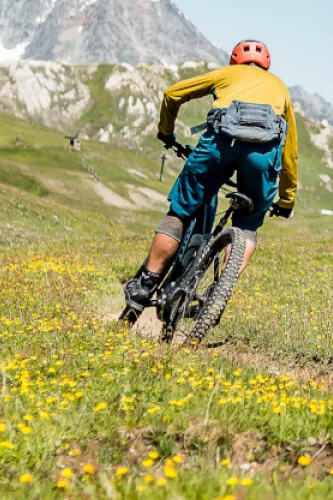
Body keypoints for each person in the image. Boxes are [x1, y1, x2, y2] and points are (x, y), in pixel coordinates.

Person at [121, 40, 300, 323]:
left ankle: (145, 285)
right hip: (262, 157)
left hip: (219, 146)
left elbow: (172, 93)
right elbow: (290, 150)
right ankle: (217, 295)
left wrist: (166, 132)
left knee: (179, 213)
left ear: (235, 61)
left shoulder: (226, 74)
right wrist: (287, 198)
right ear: (266, 65)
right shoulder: (279, 87)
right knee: (248, 226)